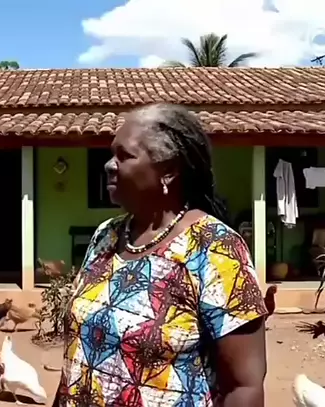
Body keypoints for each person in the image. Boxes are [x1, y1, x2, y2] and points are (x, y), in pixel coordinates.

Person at [55, 104, 268, 407]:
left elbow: (243, 387)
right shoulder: (106, 235)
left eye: (125, 156)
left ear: (169, 170)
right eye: (112, 154)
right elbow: (77, 360)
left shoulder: (216, 248)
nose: (109, 165)